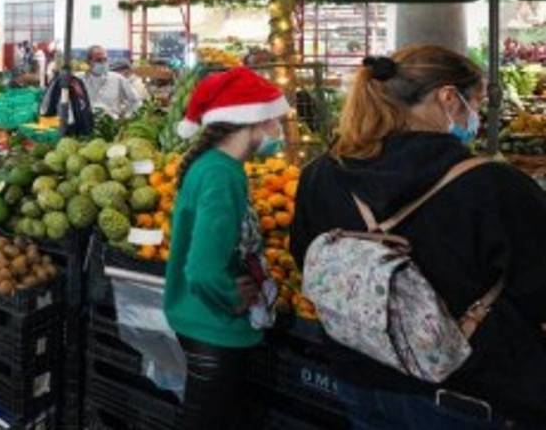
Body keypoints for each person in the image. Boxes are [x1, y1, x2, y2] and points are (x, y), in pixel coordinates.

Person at [291, 47, 546, 427]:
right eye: (476, 102)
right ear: (448, 97)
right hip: (465, 393)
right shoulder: (491, 184)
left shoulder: (321, 174)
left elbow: (305, 258)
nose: (477, 115)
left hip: (359, 377)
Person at [164, 67, 290, 430]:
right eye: (274, 120)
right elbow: (202, 269)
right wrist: (229, 296)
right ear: (252, 121)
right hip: (214, 326)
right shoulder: (221, 175)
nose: (278, 131)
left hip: (202, 322)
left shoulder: (214, 166)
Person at [84, 45, 143, 118]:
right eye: (98, 60)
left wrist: (127, 117)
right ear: (88, 62)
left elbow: (136, 100)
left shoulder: (117, 78)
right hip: (86, 122)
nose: (103, 63)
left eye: (105, 60)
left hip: (112, 122)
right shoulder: (79, 80)